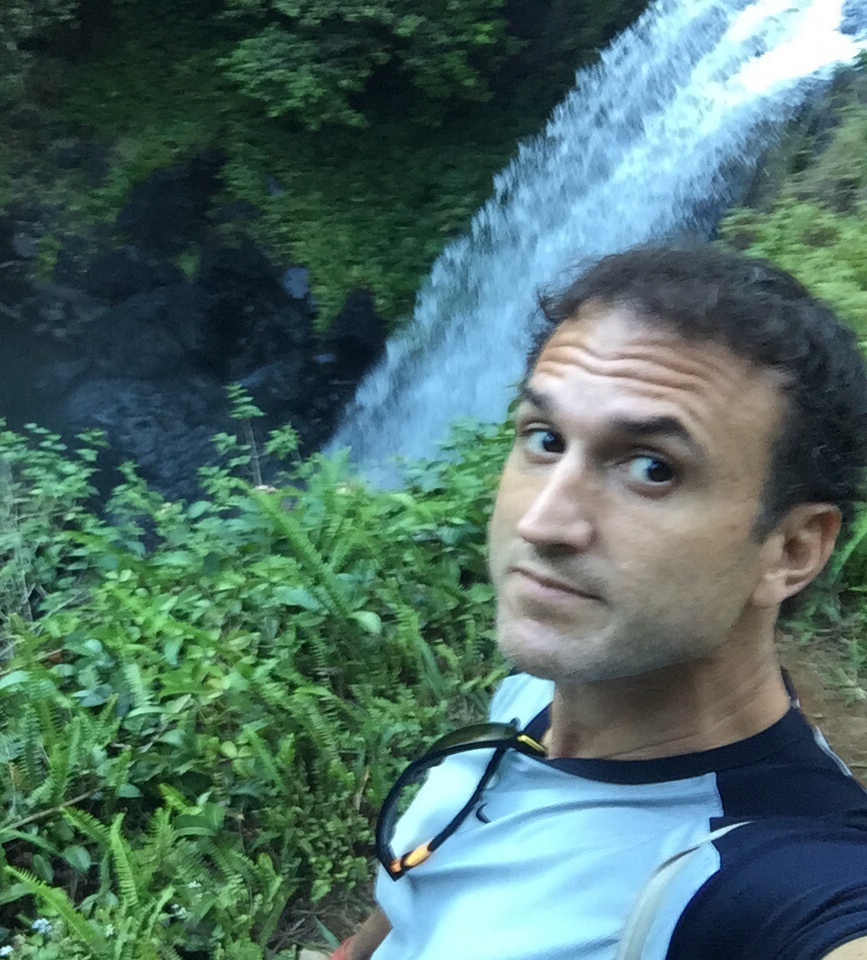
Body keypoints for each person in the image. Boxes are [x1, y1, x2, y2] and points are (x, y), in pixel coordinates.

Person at [333, 246, 867, 960]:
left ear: (791, 549)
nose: (543, 523)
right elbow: (425, 896)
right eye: (545, 439)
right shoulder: (542, 694)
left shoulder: (766, 878)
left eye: (653, 469)